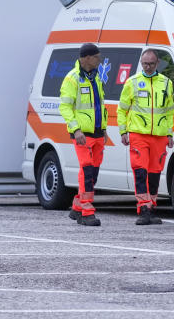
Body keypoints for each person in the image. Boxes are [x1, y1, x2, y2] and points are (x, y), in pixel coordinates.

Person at [118, 48, 174, 226]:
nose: (148, 67)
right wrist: (123, 131)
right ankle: (143, 208)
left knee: (155, 174)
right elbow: (122, 109)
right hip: (138, 135)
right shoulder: (132, 82)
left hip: (159, 136)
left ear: (157, 63)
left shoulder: (166, 83)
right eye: (145, 64)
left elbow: (169, 111)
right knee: (140, 171)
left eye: (151, 64)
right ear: (141, 64)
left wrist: (169, 134)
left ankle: (152, 208)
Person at [59, 43, 108, 227]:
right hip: (82, 134)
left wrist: (103, 129)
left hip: (97, 132)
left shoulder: (96, 77)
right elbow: (65, 107)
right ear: (87, 58)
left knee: (93, 173)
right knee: (87, 170)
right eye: (97, 57)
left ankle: (77, 207)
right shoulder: (72, 79)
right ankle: (87, 211)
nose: (99, 60)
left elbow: (99, 105)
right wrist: (76, 129)